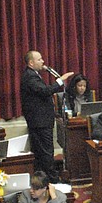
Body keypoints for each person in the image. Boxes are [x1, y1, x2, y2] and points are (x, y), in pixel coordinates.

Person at [21, 50, 74, 182]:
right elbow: (45, 91)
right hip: (39, 122)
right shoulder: (30, 76)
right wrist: (60, 81)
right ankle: (52, 179)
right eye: (39, 59)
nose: (43, 61)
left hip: (42, 121)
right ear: (31, 62)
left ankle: (43, 179)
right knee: (46, 152)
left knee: (42, 152)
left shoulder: (34, 75)